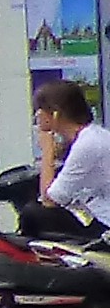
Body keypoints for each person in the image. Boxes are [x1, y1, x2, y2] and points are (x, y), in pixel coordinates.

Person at [43, 79, 110, 232]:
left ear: (54, 113)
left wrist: (47, 150)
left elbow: (50, 199)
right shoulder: (92, 136)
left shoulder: (88, 143)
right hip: (94, 210)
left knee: (34, 214)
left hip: (102, 218)